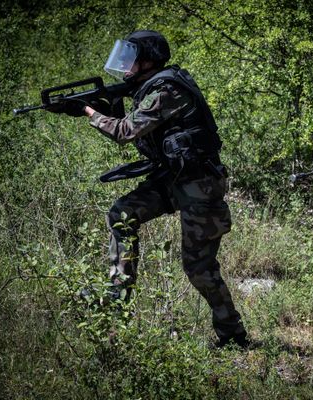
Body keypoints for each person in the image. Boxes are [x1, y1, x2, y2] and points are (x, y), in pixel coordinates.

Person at [49, 30, 248, 348]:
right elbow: (136, 126)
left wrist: (88, 111)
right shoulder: (148, 88)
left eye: (131, 59)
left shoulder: (166, 88)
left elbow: (126, 131)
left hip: (200, 186)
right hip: (172, 181)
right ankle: (117, 305)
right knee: (122, 213)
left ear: (148, 61)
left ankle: (233, 334)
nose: (125, 66)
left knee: (199, 268)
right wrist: (99, 107)